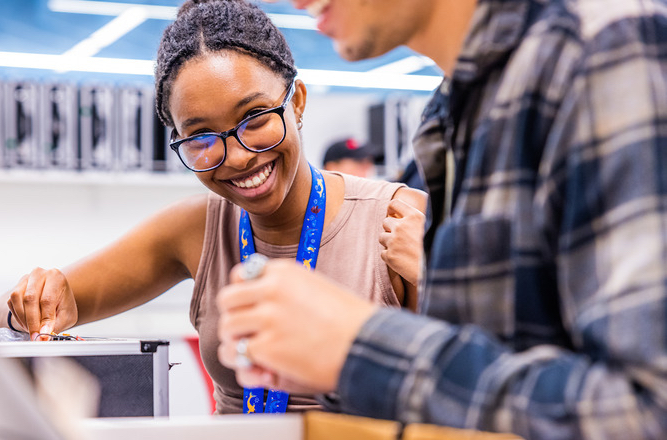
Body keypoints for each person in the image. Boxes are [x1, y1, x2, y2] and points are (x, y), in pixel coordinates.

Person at [217, 0, 667, 438]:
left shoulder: (600, 48)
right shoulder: (456, 110)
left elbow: (649, 410)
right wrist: (334, 362)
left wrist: (365, 350)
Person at [0, 0, 426, 415]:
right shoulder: (196, 227)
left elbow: (478, 381)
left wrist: (428, 277)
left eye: (255, 119)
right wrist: (32, 303)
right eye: (200, 139)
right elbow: (6, 313)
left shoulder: (397, 220)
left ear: (296, 102)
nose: (236, 157)